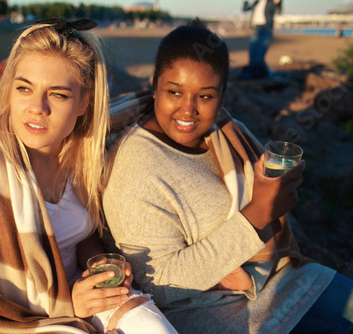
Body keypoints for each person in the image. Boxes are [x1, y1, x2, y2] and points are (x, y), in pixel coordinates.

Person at [103, 21, 353, 333]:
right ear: (155, 86)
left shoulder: (222, 132)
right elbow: (161, 283)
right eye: (174, 92)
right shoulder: (135, 167)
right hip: (222, 314)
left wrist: (272, 187)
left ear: (223, 97)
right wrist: (260, 212)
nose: (188, 109)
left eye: (204, 96)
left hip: (281, 279)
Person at [0, 18, 176, 334]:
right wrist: (67, 304)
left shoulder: (79, 153)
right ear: (9, 90)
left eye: (58, 94)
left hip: (81, 293)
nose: (37, 107)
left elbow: (83, 234)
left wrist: (98, 268)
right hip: (19, 321)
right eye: (24, 88)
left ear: (82, 102)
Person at [239, 0, 282, 80]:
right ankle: (255, 74)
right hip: (256, 29)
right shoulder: (257, 2)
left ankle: (265, 74)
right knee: (252, 55)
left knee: (259, 56)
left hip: (266, 29)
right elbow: (245, 9)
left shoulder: (271, 3)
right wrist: (246, 1)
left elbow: (278, 10)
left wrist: (278, 2)